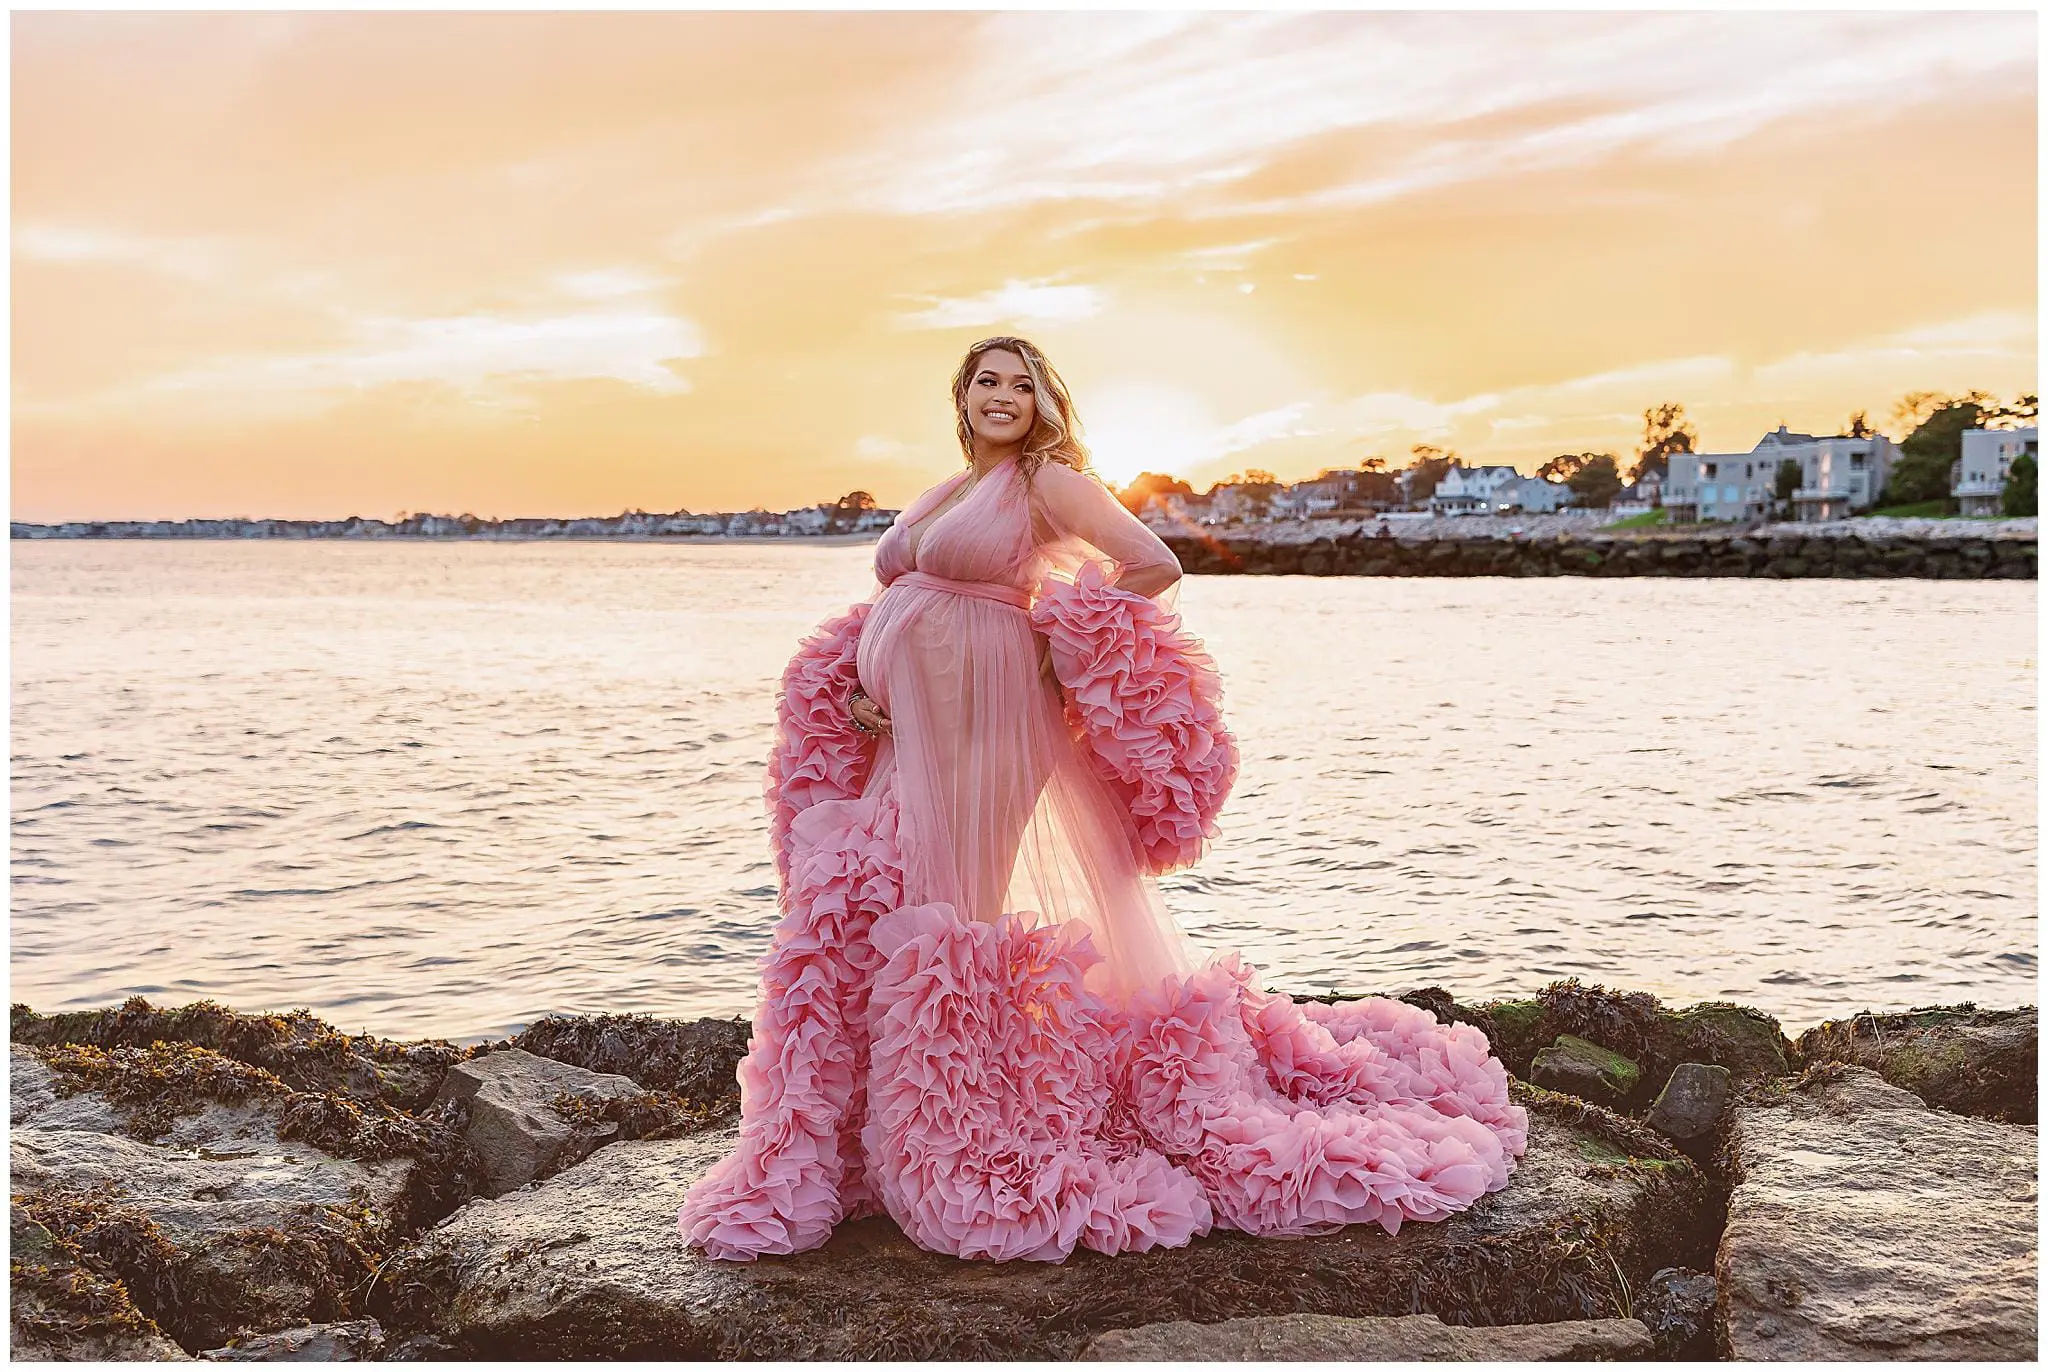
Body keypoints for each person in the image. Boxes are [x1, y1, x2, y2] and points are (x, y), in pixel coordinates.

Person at [677, 336, 1527, 1264]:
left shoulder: (1049, 483)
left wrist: (1057, 643)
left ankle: (966, 1118)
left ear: (1046, 401)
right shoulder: (950, 490)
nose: (1003, 397)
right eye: (986, 383)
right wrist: (866, 682)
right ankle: (882, 1130)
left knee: (954, 910)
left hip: (994, 733)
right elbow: (909, 593)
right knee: (887, 900)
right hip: (913, 739)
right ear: (960, 399)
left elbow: (1151, 561)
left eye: (1022, 384)